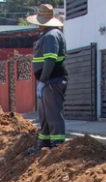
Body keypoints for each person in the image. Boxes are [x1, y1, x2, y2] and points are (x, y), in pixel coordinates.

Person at [28, 4, 67, 152]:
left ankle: (57, 148)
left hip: (52, 81)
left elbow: (50, 60)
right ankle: (43, 145)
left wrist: (43, 80)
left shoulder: (51, 36)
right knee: (44, 114)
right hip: (47, 82)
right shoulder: (48, 35)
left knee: (53, 114)